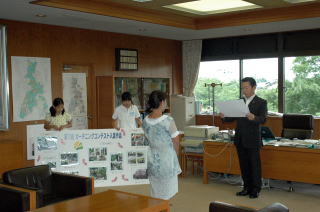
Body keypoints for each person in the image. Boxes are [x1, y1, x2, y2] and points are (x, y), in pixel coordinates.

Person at [220, 77, 267, 199]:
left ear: (254, 87)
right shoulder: (239, 102)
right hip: (240, 138)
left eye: (246, 87)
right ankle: (246, 187)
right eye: (242, 88)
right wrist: (224, 116)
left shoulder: (261, 102)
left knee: (254, 165)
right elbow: (231, 118)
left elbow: (263, 119)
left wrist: (254, 118)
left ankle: (255, 189)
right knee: (244, 165)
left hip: (253, 139)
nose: (244, 90)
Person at [142, 90, 181, 200]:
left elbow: (146, 140)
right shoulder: (168, 120)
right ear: (162, 102)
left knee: (155, 191)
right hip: (166, 160)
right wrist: (176, 155)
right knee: (167, 193)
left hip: (152, 159)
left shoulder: (145, 121)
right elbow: (176, 141)